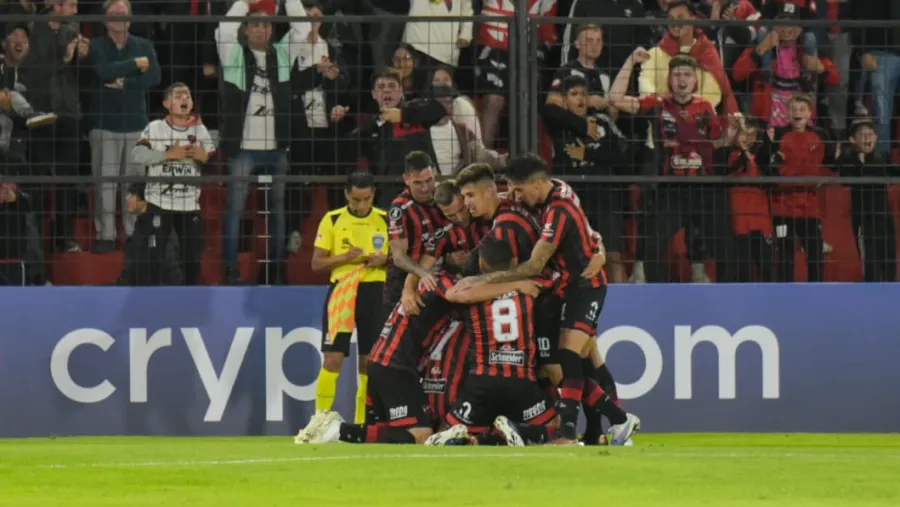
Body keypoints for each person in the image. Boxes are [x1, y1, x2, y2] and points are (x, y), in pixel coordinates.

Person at [456, 154, 639, 445]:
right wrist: (599, 249)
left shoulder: (529, 218)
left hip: (564, 291)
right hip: (565, 288)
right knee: (584, 358)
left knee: (563, 364)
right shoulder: (535, 197)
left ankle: (599, 426)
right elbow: (592, 232)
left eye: (470, 196)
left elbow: (533, 266)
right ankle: (603, 429)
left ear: (536, 184)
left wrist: (482, 280)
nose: (513, 195)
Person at [611, 49, 736, 283]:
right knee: (653, 243)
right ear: (670, 78)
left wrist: (733, 134)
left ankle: (723, 295)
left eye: (687, 74)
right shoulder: (659, 103)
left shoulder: (706, 107)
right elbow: (615, 99)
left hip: (702, 188)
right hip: (670, 188)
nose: (682, 80)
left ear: (695, 79)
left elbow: (717, 144)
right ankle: (656, 294)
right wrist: (629, 61)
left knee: (723, 242)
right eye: (677, 74)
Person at [423, 236, 560, 447]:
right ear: (514, 262)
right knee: (554, 428)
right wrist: (519, 283)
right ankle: (511, 433)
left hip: (482, 382)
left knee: (447, 430)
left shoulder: (471, 292)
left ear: (481, 264)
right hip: (521, 380)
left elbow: (459, 294)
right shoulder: (534, 287)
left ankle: (482, 439)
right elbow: (554, 283)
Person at [296, 272, 460, 445]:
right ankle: (334, 429)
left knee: (387, 428)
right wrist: (490, 281)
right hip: (395, 365)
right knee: (421, 435)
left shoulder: (416, 284)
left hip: (385, 363)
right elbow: (460, 294)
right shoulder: (437, 284)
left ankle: (341, 430)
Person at [215, 0, 311, 284]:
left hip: (277, 148)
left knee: (279, 211)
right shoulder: (233, 54)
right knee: (235, 209)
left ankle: (278, 268)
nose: (260, 29)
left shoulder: (281, 55)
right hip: (243, 149)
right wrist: (244, 2)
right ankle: (231, 269)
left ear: (271, 29)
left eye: (265, 24)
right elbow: (222, 30)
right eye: (254, 24)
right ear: (245, 30)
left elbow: (302, 28)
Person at [311, 171, 389, 424]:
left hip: (375, 292)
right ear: (347, 195)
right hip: (343, 290)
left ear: (373, 195)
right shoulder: (332, 220)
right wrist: (345, 258)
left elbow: (400, 259)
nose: (361, 205)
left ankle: (361, 424)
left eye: (366, 199)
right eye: (356, 199)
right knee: (333, 358)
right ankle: (320, 422)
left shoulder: (385, 220)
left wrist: (385, 260)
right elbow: (316, 263)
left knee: (368, 362)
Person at [87, 0, 161, 253]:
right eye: (116, 13)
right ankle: (106, 235)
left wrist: (126, 83)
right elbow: (102, 70)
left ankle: (131, 233)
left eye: (125, 13)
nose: (122, 17)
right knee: (105, 183)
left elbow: (154, 76)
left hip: (135, 123)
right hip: (104, 123)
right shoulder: (97, 46)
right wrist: (135, 65)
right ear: (106, 19)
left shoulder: (144, 45)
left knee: (132, 183)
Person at [541, 74, 631, 282]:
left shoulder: (603, 122)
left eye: (584, 94)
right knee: (575, 258)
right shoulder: (559, 123)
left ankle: (625, 309)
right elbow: (547, 109)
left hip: (604, 195)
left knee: (613, 255)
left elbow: (626, 155)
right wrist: (581, 125)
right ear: (563, 100)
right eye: (573, 94)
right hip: (574, 198)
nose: (580, 99)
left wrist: (589, 155)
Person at [20, 0, 89, 253]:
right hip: (40, 114)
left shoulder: (72, 30)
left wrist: (82, 57)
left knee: (69, 179)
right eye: (71, 5)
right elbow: (32, 70)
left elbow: (81, 75)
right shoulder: (33, 30)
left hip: (69, 113)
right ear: (57, 5)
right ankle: (34, 237)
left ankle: (65, 236)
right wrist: (66, 57)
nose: (76, 10)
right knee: (37, 178)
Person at [131, 82, 215, 286]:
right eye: (178, 96)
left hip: (189, 203)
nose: (185, 98)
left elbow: (210, 161)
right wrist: (168, 155)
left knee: (192, 260)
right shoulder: (155, 127)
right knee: (152, 258)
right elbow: (137, 154)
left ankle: (190, 303)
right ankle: (150, 302)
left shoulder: (200, 129)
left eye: (187, 95)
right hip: (159, 202)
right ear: (167, 103)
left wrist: (205, 158)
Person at [758, 93, 836, 282]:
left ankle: (815, 292)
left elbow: (832, 163)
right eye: (793, 109)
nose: (797, 113)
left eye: (802, 109)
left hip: (809, 206)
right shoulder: (776, 134)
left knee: (815, 253)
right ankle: (786, 294)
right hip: (782, 205)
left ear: (810, 113)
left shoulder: (821, 135)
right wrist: (769, 148)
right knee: (785, 254)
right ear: (787, 113)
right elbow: (761, 163)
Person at [384, 152, 448, 318]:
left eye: (429, 180)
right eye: (418, 183)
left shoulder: (444, 199)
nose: (426, 188)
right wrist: (423, 273)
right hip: (403, 280)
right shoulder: (400, 209)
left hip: (438, 276)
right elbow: (399, 256)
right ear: (406, 179)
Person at [838, 116, 897, 282]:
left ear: (876, 138)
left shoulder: (882, 157)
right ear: (853, 140)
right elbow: (844, 179)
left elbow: (891, 171)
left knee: (889, 258)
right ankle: (872, 298)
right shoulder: (849, 159)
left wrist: (865, 166)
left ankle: (891, 296)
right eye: (862, 135)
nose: (867, 138)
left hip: (884, 216)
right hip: (863, 219)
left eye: (870, 134)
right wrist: (859, 163)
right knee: (870, 262)